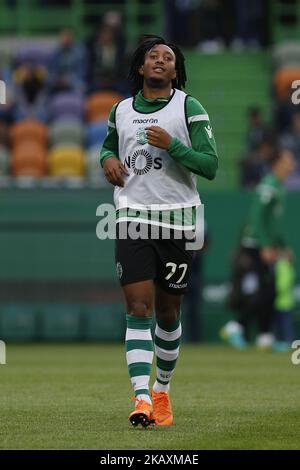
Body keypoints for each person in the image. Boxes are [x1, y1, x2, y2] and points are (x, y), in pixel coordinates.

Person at [100, 35, 218, 427]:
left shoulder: (189, 107)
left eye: (168, 58)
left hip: (179, 220)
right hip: (132, 216)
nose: (161, 61)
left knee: (168, 313)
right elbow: (107, 147)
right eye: (153, 56)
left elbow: (210, 165)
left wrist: (174, 146)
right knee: (137, 308)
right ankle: (141, 398)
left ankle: (162, 390)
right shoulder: (120, 109)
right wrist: (108, 160)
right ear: (140, 66)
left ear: (175, 70)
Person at [221, 148, 296, 350]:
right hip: (255, 244)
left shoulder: (278, 186)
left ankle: (264, 336)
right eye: (288, 159)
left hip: (266, 244)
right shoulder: (268, 185)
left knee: (269, 291)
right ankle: (236, 326)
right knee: (265, 291)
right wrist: (264, 246)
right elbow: (256, 217)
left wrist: (282, 246)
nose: (292, 163)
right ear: (277, 163)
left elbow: (274, 223)